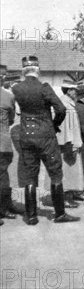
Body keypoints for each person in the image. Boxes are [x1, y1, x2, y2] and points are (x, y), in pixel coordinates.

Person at [11, 56, 79, 224]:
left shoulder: (17, 88)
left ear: (23, 70)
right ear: (38, 69)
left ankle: (32, 216)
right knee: (55, 173)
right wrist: (54, 125)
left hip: (26, 136)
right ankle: (59, 214)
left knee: (30, 176)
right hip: (46, 136)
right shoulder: (44, 87)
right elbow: (61, 109)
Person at [45, 80, 84, 209]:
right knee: (64, 171)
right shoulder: (64, 104)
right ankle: (60, 199)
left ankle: (66, 197)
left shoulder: (68, 103)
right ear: (69, 91)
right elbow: (63, 127)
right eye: (75, 90)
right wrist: (70, 144)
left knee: (69, 171)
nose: (77, 93)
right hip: (66, 144)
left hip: (70, 142)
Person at [0, 65, 24, 223]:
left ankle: (6, 205)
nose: (3, 78)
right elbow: (10, 119)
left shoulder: (7, 95)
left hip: (2, 141)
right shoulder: (8, 96)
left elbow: (10, 119)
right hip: (2, 139)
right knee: (2, 173)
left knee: (3, 174)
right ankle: (4, 207)